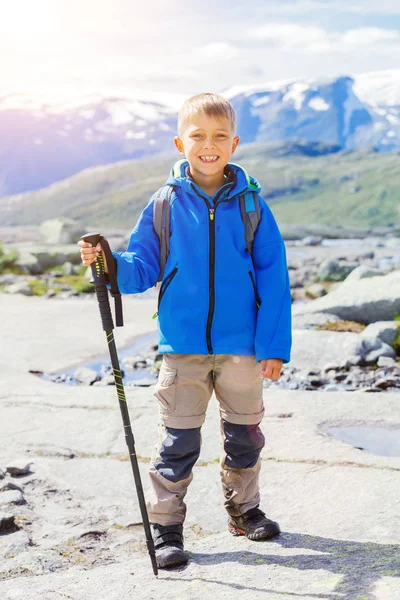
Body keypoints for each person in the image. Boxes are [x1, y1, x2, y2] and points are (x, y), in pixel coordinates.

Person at [78, 92, 292, 570]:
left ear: (234, 143)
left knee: (244, 436)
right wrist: (109, 263)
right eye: (198, 136)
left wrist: (273, 346)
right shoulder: (165, 204)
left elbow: (275, 278)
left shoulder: (253, 205)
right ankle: (167, 528)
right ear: (181, 142)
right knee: (178, 442)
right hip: (183, 348)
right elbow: (140, 268)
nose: (209, 145)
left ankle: (244, 511)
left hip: (242, 347)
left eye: (219, 137)